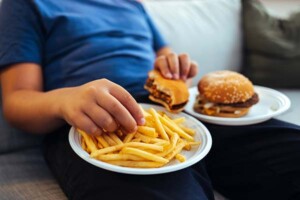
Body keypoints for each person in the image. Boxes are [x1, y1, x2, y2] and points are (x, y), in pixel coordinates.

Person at [0, 0, 299, 200]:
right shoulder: (24, 5)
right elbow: (17, 101)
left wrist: (176, 69)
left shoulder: (132, 4)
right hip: (92, 123)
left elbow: (166, 59)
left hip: (173, 114)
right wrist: (66, 101)